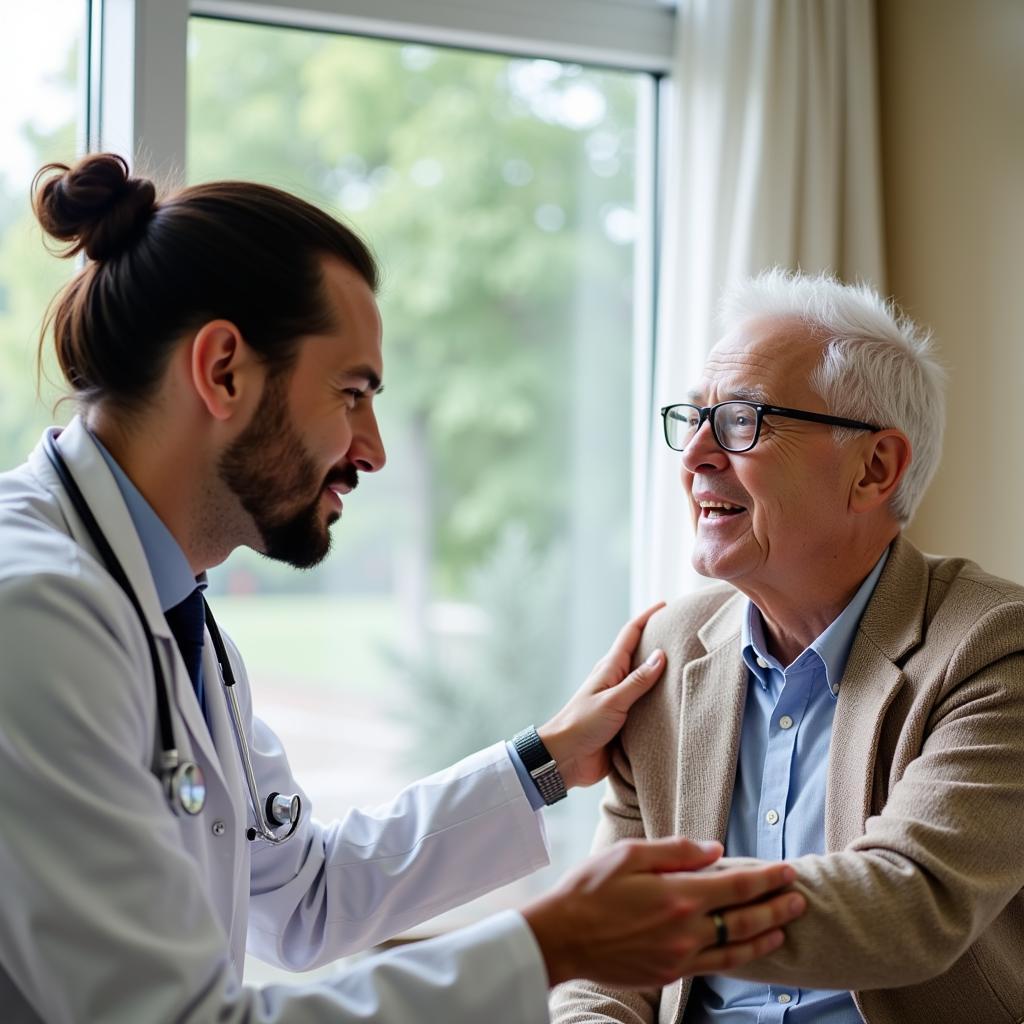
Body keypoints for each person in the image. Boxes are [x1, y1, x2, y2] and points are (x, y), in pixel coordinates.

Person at [0, 154, 807, 1024]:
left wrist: (544, 762)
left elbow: (303, 897)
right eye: (352, 393)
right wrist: (551, 944)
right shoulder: (35, 616)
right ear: (223, 369)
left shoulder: (172, 616)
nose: (372, 448)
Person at [551, 270, 1024, 1024]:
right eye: (695, 420)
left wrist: (642, 916)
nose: (696, 455)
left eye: (740, 420)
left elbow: (911, 903)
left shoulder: (994, 649)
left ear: (875, 468)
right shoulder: (666, 652)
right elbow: (601, 980)